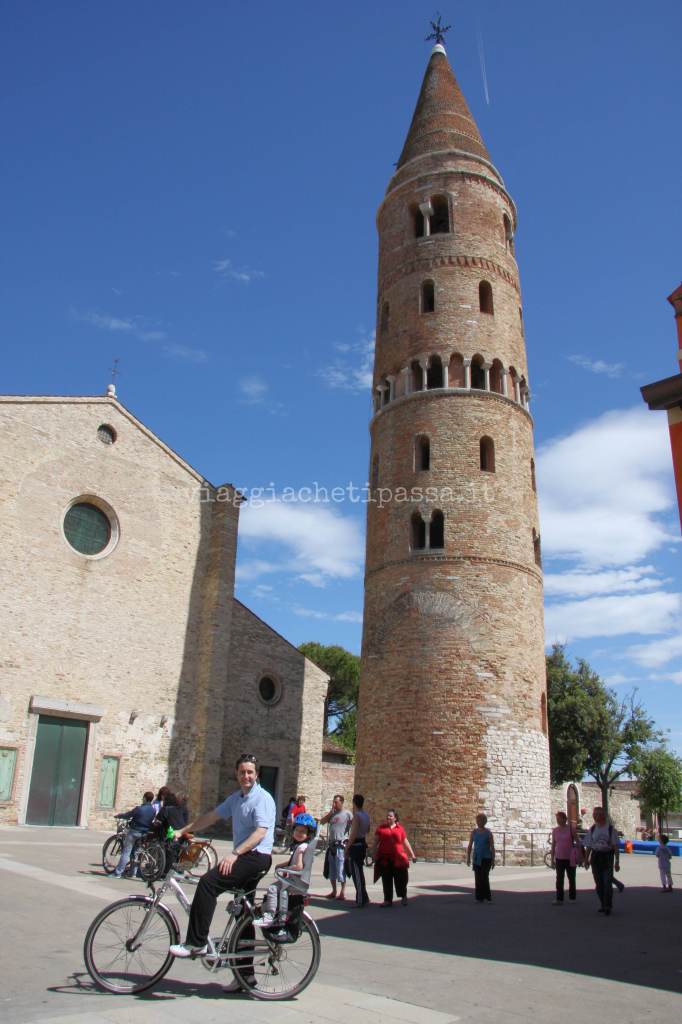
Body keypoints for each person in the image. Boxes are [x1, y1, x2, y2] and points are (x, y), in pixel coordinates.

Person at [168, 752, 276, 995]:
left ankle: (196, 943)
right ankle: (246, 978)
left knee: (208, 883)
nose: (246, 776)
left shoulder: (262, 798)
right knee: (242, 913)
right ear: (237, 774)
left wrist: (235, 853)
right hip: (247, 856)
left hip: (256, 857)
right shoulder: (237, 798)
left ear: (256, 775)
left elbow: (260, 832)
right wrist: (183, 830)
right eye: (242, 772)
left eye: (250, 772)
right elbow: (212, 816)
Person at [256, 812, 317, 936]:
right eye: (297, 830)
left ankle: (270, 915)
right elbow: (293, 861)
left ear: (308, 834)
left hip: (293, 881)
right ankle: (276, 915)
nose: (299, 833)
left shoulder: (300, 848)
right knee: (278, 890)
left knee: (273, 888)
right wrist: (282, 865)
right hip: (296, 881)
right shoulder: (302, 846)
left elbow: (299, 866)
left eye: (303, 831)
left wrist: (285, 869)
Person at [372, 808, 416, 907]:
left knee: (401, 879)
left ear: (395, 818)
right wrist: (373, 854)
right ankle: (387, 900)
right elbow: (376, 842)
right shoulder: (381, 828)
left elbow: (405, 842)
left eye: (391, 816)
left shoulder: (400, 829)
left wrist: (412, 855)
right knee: (386, 880)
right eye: (387, 816)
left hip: (398, 858)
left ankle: (403, 896)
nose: (388, 817)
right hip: (385, 858)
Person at [583, 806, 620, 915]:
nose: (595, 816)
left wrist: (617, 861)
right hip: (596, 856)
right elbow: (589, 846)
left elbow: (615, 847)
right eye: (594, 814)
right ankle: (603, 904)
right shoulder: (593, 829)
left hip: (607, 856)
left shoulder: (610, 829)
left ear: (603, 815)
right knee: (599, 883)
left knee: (607, 882)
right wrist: (586, 859)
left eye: (598, 814)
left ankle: (607, 905)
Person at [113, 790, 156, 878]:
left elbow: (128, 815)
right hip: (144, 833)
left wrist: (119, 815)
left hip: (134, 832)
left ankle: (118, 872)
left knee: (126, 852)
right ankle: (133, 872)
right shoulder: (153, 810)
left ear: (144, 798)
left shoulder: (139, 809)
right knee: (136, 851)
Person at [320, 794, 352, 900]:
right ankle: (334, 891)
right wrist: (330, 813)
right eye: (333, 802)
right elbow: (322, 822)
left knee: (341, 869)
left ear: (342, 802)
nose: (334, 804)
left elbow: (354, 823)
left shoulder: (347, 814)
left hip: (341, 845)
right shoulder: (332, 815)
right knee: (331, 870)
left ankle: (342, 892)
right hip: (331, 845)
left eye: (336, 802)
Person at [344, 793, 371, 907]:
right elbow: (368, 829)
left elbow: (353, 834)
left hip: (356, 845)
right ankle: (364, 897)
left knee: (357, 874)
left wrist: (347, 847)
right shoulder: (366, 815)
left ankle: (360, 900)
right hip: (362, 843)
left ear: (354, 803)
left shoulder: (357, 816)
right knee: (359, 871)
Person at [550, 810, 582, 904]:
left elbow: (578, 842)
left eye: (559, 819)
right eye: (557, 819)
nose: (558, 821)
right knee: (559, 879)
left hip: (570, 857)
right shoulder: (555, 830)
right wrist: (552, 859)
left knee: (571, 878)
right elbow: (553, 845)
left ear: (565, 819)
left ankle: (572, 897)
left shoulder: (571, 829)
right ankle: (559, 899)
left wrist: (580, 855)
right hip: (559, 857)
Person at [466, 813, 495, 903]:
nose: (479, 822)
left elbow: (492, 847)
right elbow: (470, 845)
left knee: (484, 877)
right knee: (478, 878)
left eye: (481, 820)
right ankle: (479, 898)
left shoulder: (488, 833)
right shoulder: (474, 832)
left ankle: (487, 897)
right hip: (477, 858)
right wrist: (468, 857)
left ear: (484, 822)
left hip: (486, 858)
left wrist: (493, 860)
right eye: (478, 820)